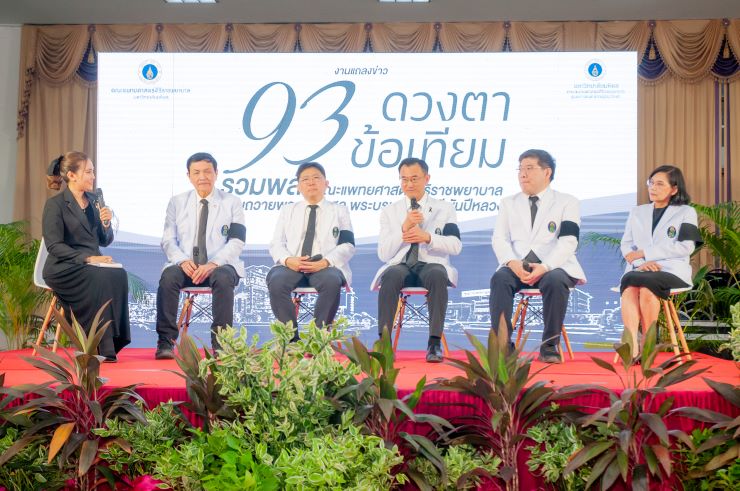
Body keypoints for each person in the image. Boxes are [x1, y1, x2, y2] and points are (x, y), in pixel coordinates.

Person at [489, 149, 586, 363]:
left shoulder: (567, 202)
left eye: (529, 168)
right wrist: (512, 262)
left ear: (547, 172)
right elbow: (499, 239)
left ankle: (549, 346)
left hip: (554, 266)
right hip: (518, 265)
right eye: (520, 169)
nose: (522, 174)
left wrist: (546, 266)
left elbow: (569, 240)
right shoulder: (508, 202)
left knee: (555, 280)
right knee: (500, 279)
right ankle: (502, 346)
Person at [154, 152, 246, 359]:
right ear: (189, 176)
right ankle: (165, 342)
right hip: (185, 265)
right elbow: (168, 240)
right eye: (196, 172)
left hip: (220, 266)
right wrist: (182, 261)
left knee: (223, 277)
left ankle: (221, 344)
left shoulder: (232, 202)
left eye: (207, 171)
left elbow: (237, 241)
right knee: (169, 277)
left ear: (216, 173)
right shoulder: (177, 202)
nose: (202, 177)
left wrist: (213, 263)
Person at [371, 157, 462, 363]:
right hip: (401, 264)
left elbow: (455, 246)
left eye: (414, 179)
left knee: (438, 274)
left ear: (427, 178)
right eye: (404, 179)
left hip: (430, 263)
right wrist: (403, 229)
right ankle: (384, 344)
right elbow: (384, 254)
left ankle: (434, 343)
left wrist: (428, 237)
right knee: (390, 275)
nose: (409, 184)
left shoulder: (444, 208)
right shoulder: (389, 211)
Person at [42, 151, 130, 362]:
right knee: (99, 277)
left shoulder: (94, 200)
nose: (93, 176)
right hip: (63, 266)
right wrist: (88, 259)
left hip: (92, 265)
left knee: (119, 275)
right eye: (88, 172)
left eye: (93, 171)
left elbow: (104, 240)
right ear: (72, 175)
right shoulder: (55, 205)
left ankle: (112, 341)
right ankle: (99, 346)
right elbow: (54, 246)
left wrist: (106, 224)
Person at [619, 165, 701, 357]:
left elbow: (686, 247)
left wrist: (646, 253)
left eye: (660, 184)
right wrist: (641, 263)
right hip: (640, 269)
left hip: (671, 270)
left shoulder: (686, 212)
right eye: (651, 183)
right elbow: (627, 246)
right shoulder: (637, 212)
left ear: (674, 189)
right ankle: (632, 345)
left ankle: (648, 344)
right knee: (630, 284)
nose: (653, 188)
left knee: (646, 286)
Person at [267, 162, 355, 339]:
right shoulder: (287, 211)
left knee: (332, 281)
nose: (311, 182)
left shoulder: (339, 211)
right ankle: (291, 340)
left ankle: (318, 339)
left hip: (325, 266)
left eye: (316, 178)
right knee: (276, 281)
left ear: (326, 183)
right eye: (305, 179)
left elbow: (348, 245)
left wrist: (325, 262)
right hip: (293, 265)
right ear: (298, 186)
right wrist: (288, 260)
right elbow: (276, 243)